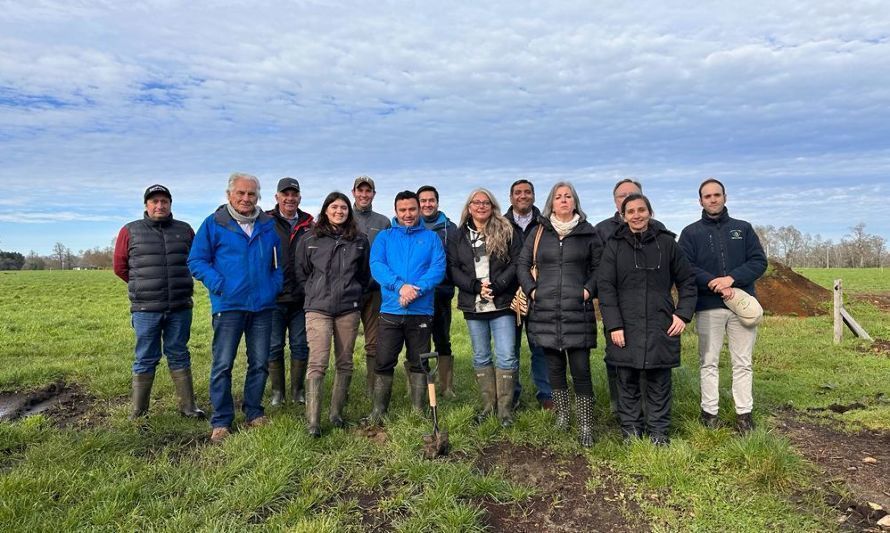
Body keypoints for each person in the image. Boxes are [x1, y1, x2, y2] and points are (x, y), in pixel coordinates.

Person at [188, 173, 283, 443]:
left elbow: (277, 265)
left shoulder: (267, 226)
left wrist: (273, 286)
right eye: (240, 193)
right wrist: (219, 284)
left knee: (260, 363)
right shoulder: (214, 224)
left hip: (262, 306)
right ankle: (221, 420)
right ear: (229, 195)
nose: (246, 198)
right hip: (228, 305)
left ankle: (253, 412)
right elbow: (196, 260)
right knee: (222, 364)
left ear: (258, 197)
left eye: (251, 194)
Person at [598, 194, 697, 445]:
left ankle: (659, 432)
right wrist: (614, 325)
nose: (636, 215)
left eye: (641, 210)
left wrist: (683, 314)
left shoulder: (667, 244)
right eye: (630, 211)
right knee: (627, 379)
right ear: (623, 216)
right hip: (625, 324)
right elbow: (606, 287)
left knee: (658, 380)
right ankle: (631, 430)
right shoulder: (614, 245)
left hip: (659, 322)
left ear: (650, 212)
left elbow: (687, 281)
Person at [517, 181, 602, 447]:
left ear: (575, 202)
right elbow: (522, 263)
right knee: (554, 367)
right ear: (551, 203)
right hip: (546, 309)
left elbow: (600, 268)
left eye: (568, 196)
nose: (563, 200)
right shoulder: (539, 232)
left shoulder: (589, 233)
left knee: (580, 369)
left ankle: (587, 423)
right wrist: (532, 291)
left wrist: (588, 290)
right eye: (558, 197)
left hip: (578, 309)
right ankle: (563, 416)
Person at [678, 178, 767, 433]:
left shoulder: (743, 229)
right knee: (709, 361)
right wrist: (713, 283)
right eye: (707, 196)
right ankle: (709, 414)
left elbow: (758, 261)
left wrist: (732, 279)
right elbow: (685, 267)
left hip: (741, 305)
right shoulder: (690, 233)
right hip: (708, 306)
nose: (713, 199)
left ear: (725, 197)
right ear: (700, 201)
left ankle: (744, 415)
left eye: (717, 195)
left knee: (743, 362)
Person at [113, 184, 204, 420]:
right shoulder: (130, 231)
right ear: (146, 205)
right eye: (154, 201)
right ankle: (139, 411)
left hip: (180, 306)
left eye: (164, 201)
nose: (159, 206)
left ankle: (188, 407)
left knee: (179, 353)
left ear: (170, 204)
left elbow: (195, 261)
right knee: (145, 357)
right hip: (146, 308)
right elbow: (120, 267)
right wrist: (143, 286)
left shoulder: (185, 230)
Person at [363, 191, 446, 425]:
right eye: (402, 210)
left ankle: (418, 410)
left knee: (419, 360)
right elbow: (377, 265)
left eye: (412, 209)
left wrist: (415, 290)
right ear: (396, 211)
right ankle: (379, 411)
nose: (407, 214)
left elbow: (437, 269)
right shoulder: (385, 238)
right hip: (391, 310)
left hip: (420, 311)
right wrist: (400, 288)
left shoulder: (431, 239)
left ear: (418, 209)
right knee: (383, 360)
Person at [295, 192, 370, 437]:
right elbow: (302, 273)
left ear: (349, 212)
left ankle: (336, 414)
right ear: (326, 209)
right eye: (334, 207)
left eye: (344, 208)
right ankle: (313, 422)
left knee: (345, 361)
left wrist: (354, 293)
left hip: (348, 308)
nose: (339, 211)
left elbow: (364, 273)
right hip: (318, 308)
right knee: (317, 361)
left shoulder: (359, 240)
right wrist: (314, 293)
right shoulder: (310, 239)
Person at [448, 188, 522, 425]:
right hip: (474, 305)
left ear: (493, 206)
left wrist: (498, 285)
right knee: (481, 356)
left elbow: (517, 262)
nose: (481, 206)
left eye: (486, 202)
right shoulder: (457, 236)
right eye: (476, 202)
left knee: (507, 356)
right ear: (469, 207)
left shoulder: (507, 230)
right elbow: (453, 269)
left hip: (501, 303)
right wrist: (475, 286)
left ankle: (505, 411)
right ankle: (489, 406)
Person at [593, 178, 666, 419]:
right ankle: (620, 407)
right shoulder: (602, 230)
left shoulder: (657, 228)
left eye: (632, 194)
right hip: (617, 307)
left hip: (650, 307)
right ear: (615, 202)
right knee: (617, 357)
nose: (626, 199)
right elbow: (599, 272)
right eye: (621, 196)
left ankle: (648, 408)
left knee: (650, 357)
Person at [504, 179, 552, 409]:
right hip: (508, 295)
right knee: (510, 349)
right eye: (517, 193)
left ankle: (546, 394)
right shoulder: (501, 224)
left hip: (538, 294)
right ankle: (511, 395)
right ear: (510, 197)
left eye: (527, 192)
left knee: (540, 347)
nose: (522, 196)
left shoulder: (545, 223)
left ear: (533, 195)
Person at [266, 177, 314, 406]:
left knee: (300, 344)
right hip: (274, 297)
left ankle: (297, 391)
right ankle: (278, 392)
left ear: (299, 198)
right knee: (274, 345)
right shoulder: (265, 221)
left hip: (301, 297)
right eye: (285, 194)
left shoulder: (309, 225)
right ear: (277, 197)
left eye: (294, 194)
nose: (290, 198)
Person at [417, 185, 459, 398]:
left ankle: (446, 386)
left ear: (437, 202)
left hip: (441, 293)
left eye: (431, 200)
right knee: (420, 341)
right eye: (423, 200)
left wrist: (450, 284)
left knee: (442, 339)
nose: (427, 204)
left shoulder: (450, 229)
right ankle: (421, 387)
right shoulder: (410, 226)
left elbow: (455, 261)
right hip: (416, 296)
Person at [352, 176, 392, 396]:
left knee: (374, 342)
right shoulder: (344, 217)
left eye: (368, 191)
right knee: (346, 342)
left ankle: (371, 389)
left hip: (375, 290)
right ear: (354, 192)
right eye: (360, 191)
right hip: (349, 289)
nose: (364, 195)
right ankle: (344, 389)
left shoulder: (383, 222)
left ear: (373, 194)